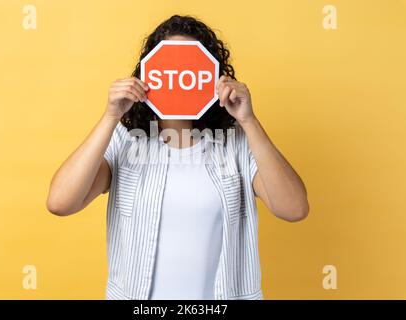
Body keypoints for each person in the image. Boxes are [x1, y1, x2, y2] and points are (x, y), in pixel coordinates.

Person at [46, 15, 309, 300]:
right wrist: (111, 116)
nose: (180, 76)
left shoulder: (236, 142)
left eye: (190, 65)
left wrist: (249, 120)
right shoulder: (125, 139)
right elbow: (61, 202)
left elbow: (293, 209)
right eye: (170, 64)